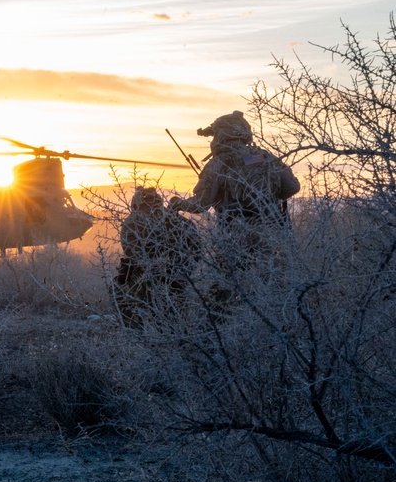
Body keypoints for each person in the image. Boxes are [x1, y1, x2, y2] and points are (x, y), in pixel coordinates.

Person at [169, 110, 300, 233]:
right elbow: (292, 187)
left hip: (236, 238)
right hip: (273, 235)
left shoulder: (218, 163)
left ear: (220, 135)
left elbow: (201, 204)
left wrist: (178, 204)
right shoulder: (266, 157)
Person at [114, 187, 201, 327]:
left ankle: (135, 334)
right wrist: (181, 273)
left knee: (121, 292)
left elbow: (132, 253)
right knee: (177, 317)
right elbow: (196, 249)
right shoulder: (180, 220)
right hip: (178, 276)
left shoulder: (132, 221)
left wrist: (153, 270)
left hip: (149, 278)